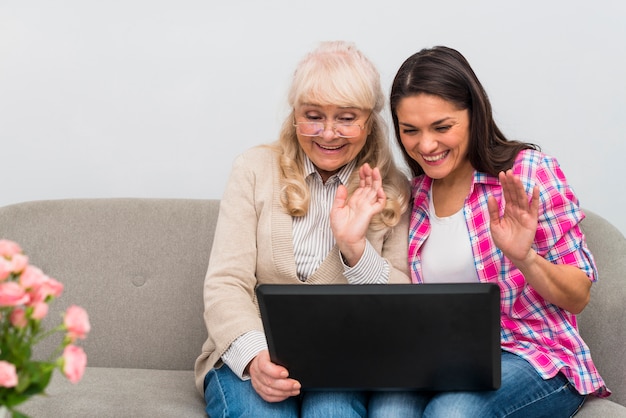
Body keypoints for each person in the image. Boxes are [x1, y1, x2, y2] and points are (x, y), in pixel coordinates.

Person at [194, 41, 417, 417]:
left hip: (342, 363)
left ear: (368, 121)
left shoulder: (392, 190)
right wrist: (255, 358)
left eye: (346, 118)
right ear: (294, 114)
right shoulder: (254, 170)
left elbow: (404, 306)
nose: (328, 134)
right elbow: (226, 282)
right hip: (253, 353)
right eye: (313, 115)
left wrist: (354, 249)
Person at [387, 45, 610, 416]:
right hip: (446, 359)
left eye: (442, 127)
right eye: (410, 130)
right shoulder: (417, 194)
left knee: (451, 412)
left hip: (537, 356)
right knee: (387, 409)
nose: (425, 145)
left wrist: (525, 258)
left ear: (474, 115)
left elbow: (579, 295)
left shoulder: (528, 173)